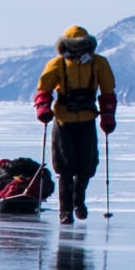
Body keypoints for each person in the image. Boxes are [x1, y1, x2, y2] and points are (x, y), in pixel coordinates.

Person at [29, 21, 119, 223]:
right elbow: (43, 90)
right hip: (63, 121)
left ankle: (79, 199)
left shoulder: (99, 64)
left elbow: (107, 92)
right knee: (65, 167)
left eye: (82, 46)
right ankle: (66, 211)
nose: (78, 51)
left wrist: (108, 115)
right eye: (74, 46)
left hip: (87, 120)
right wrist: (43, 108)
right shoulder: (57, 64)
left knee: (87, 166)